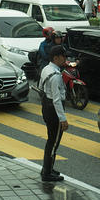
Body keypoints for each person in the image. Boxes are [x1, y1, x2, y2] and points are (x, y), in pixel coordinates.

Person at [39, 45, 71, 182]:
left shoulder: (46, 69)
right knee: (54, 142)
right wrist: (63, 119)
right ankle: (47, 173)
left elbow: (41, 87)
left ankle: (48, 168)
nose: (65, 59)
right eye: (63, 56)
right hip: (54, 110)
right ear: (56, 58)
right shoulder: (56, 76)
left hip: (46, 106)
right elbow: (57, 100)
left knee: (50, 139)